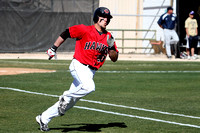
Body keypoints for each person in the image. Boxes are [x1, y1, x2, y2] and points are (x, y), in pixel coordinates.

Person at [35, 7, 119, 132]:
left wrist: (111, 46)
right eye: (103, 17)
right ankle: (66, 96)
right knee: (89, 87)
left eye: (108, 18)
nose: (106, 20)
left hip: (91, 71)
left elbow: (114, 58)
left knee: (69, 104)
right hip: (78, 65)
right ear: (97, 17)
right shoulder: (85, 29)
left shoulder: (108, 36)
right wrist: (53, 48)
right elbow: (66, 33)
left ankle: (44, 118)